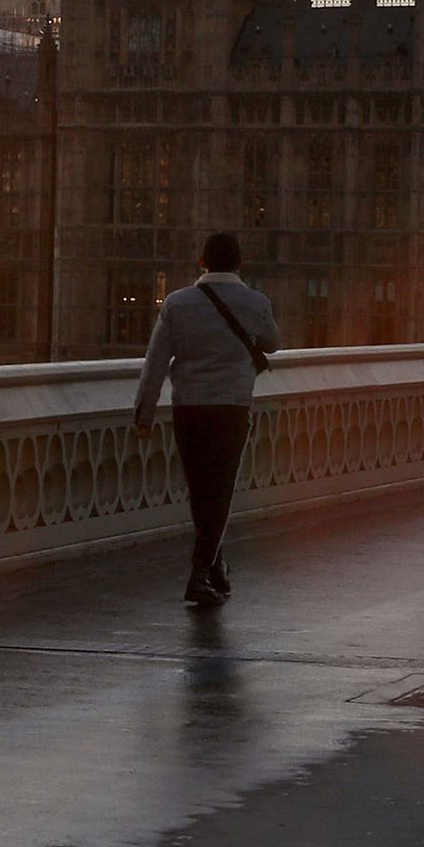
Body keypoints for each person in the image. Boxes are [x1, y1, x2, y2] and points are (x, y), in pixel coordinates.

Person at [130, 233, 279, 603]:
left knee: (200, 491)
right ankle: (200, 573)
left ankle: (214, 567)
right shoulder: (255, 302)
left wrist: (144, 413)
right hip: (231, 408)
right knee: (221, 490)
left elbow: (155, 363)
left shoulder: (177, 304)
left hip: (188, 408)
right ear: (240, 263)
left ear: (202, 261)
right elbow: (273, 343)